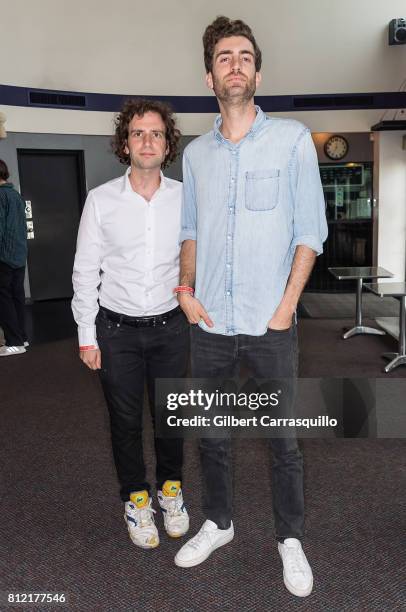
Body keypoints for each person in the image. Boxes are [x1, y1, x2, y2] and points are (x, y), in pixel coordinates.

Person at [174, 16, 328, 598]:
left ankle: (290, 537)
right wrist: (186, 290)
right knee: (211, 433)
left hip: (271, 323)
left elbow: (309, 232)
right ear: (209, 75)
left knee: (282, 440)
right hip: (210, 322)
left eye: (243, 56)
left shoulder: (291, 140)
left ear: (257, 72)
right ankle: (218, 522)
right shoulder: (194, 155)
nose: (233, 64)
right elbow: (189, 230)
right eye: (222, 57)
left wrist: (286, 307)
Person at [72, 99, 190, 550]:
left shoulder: (184, 197)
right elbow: (85, 271)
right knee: (125, 422)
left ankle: (171, 491)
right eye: (138, 133)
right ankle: (136, 499)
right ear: (126, 142)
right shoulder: (101, 200)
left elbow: (196, 258)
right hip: (115, 331)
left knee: (171, 418)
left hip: (170, 329)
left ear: (167, 144)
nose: (147, 141)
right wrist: (87, 335)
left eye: (156, 133)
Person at [0, 159, 28, 357]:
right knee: (17, 298)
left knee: (4, 300)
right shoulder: (16, 195)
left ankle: (14, 342)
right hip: (19, 256)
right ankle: (22, 337)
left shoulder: (1, 196)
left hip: (4, 257)